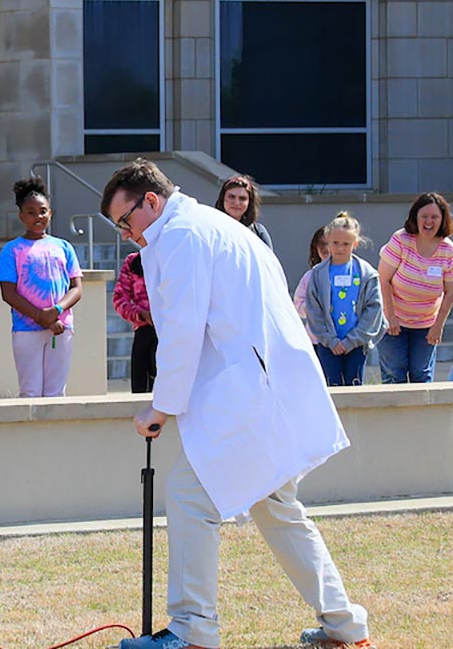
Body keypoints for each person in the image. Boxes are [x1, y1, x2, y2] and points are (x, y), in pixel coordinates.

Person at [101, 158, 372, 649]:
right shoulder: (209, 224)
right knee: (278, 508)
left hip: (248, 389)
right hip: (265, 385)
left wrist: (158, 409)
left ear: (152, 202)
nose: (126, 234)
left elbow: (182, 331)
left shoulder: (184, 235)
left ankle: (192, 630)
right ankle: (345, 626)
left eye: (126, 221)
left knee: (190, 495)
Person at [0, 177, 83, 398]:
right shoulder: (12, 250)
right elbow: (8, 292)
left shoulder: (63, 246)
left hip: (61, 328)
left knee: (56, 391)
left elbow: (76, 287)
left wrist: (57, 311)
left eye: (42, 211)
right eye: (31, 212)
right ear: (21, 216)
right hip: (26, 330)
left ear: (50, 213)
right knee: (30, 390)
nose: (38, 217)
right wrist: (39, 316)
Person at [377, 192, 453, 384]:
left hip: (426, 324)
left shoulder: (448, 250)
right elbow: (383, 280)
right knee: (394, 373)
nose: (428, 222)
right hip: (393, 321)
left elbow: (450, 293)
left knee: (421, 374)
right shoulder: (401, 240)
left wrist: (438, 327)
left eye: (434, 217)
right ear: (415, 217)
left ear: (443, 220)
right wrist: (390, 317)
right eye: (424, 216)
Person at [304, 213, 385, 388]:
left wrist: (352, 340)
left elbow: (374, 309)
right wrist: (330, 340)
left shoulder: (367, 274)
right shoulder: (318, 274)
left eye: (346, 244)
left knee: (354, 385)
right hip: (328, 344)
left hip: (355, 344)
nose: (340, 248)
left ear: (355, 244)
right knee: (331, 387)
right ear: (328, 241)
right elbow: (313, 309)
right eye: (335, 243)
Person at [111, 252, 156, 394]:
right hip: (144, 332)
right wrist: (141, 314)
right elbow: (119, 299)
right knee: (141, 390)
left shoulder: (177, 257)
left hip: (172, 332)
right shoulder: (133, 260)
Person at [294, 227, 329, 358]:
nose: (328, 249)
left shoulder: (353, 273)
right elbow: (297, 306)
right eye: (322, 247)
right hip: (316, 339)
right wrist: (314, 307)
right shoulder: (311, 276)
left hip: (345, 339)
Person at [214, 174, 273, 250]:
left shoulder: (258, 232)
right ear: (223, 199)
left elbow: (268, 261)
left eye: (242, 198)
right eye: (231, 197)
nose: (236, 202)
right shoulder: (212, 230)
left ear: (249, 203)